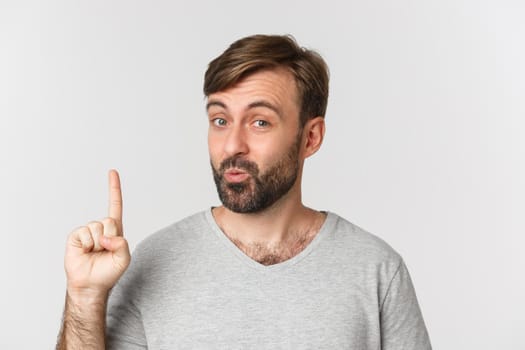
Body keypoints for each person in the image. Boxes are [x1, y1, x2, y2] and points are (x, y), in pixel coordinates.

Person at [57, 34, 432, 349]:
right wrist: (85, 297)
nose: (232, 144)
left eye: (259, 121)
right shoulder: (153, 261)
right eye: (220, 120)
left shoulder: (376, 271)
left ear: (311, 137)